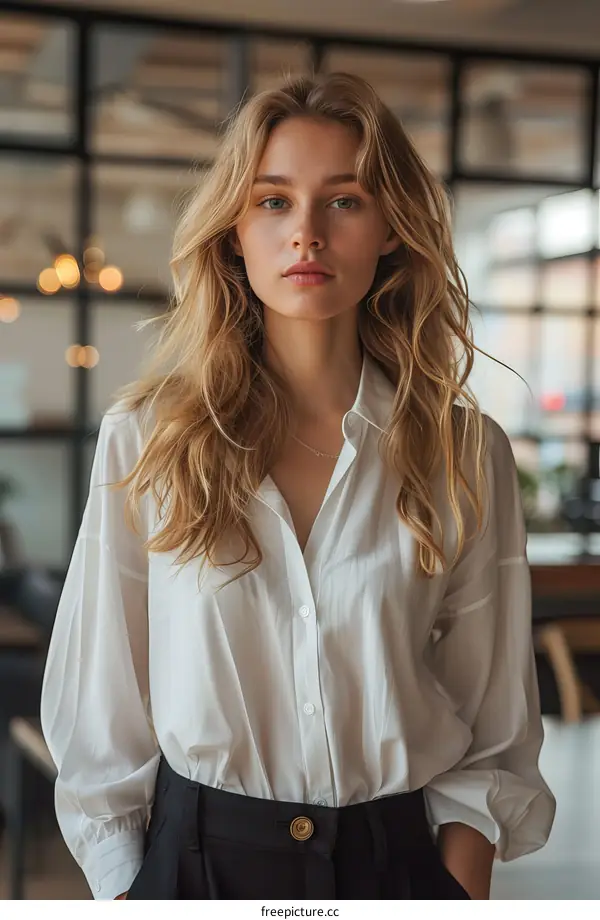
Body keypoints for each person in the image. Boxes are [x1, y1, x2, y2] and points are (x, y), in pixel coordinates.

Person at [40, 72, 555, 901]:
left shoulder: (463, 452)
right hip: (195, 867)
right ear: (233, 232)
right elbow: (103, 710)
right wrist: (127, 892)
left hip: (398, 869)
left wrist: (460, 893)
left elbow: (492, 717)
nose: (306, 234)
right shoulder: (147, 441)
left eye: (344, 201)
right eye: (273, 201)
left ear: (391, 226)